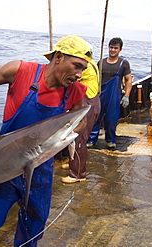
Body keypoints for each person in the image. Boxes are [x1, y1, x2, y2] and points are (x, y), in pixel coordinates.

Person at [0, 35, 91, 247]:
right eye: (77, 66)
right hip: (5, 163)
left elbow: (81, 119)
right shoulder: (22, 71)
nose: (79, 74)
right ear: (58, 57)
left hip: (41, 166)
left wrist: (66, 136)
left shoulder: (74, 90)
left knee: (34, 224)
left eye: (83, 69)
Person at [61, 54, 101, 183]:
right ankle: (74, 163)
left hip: (87, 103)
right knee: (77, 137)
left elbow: (70, 79)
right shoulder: (94, 63)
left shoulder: (86, 67)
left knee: (78, 138)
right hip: (92, 101)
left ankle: (78, 174)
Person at [87, 37, 132, 148]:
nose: (112, 50)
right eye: (111, 47)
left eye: (115, 48)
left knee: (111, 119)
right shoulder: (101, 62)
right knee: (95, 117)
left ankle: (111, 140)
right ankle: (92, 140)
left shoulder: (124, 63)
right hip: (100, 94)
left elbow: (128, 80)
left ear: (120, 49)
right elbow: (94, 79)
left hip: (114, 96)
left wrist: (126, 96)